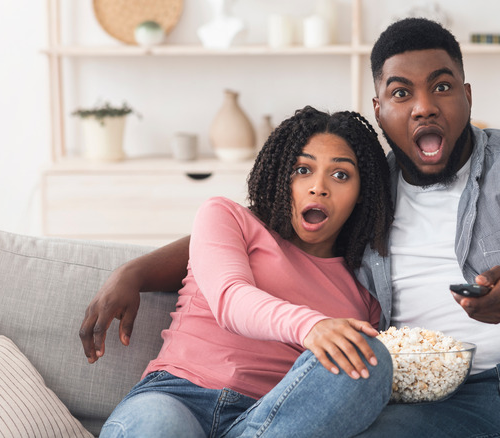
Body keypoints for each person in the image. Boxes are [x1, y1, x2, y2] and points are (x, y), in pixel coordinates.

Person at [82, 18, 500, 437]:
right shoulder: (366, 190)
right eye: (402, 93)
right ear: (380, 111)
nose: (424, 105)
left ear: (468, 96)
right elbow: (256, 234)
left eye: (441, 87)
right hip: (436, 397)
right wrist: (134, 270)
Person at [89, 106, 395, 437]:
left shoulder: (364, 295)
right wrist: (311, 326)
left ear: (362, 193)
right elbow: (231, 299)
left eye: (340, 175)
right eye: (302, 169)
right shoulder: (228, 218)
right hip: (176, 396)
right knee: (158, 428)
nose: (318, 187)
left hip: (268, 420)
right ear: (280, 175)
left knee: (370, 358)